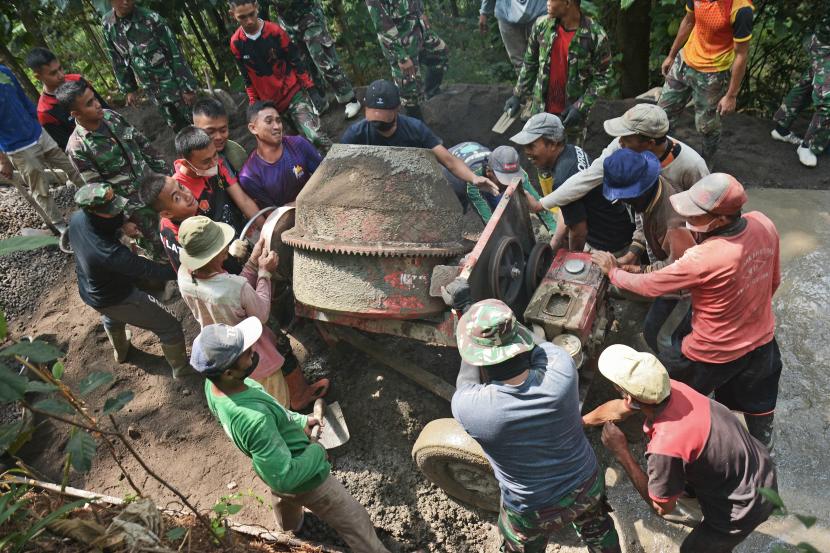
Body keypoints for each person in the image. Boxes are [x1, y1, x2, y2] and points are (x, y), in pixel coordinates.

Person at [591, 174, 781, 449]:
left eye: (696, 214)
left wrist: (614, 272)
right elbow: (773, 281)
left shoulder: (703, 257)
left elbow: (650, 285)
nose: (688, 218)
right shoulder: (763, 223)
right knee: (758, 406)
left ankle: (677, 445)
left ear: (720, 219)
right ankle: (764, 452)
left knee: (679, 403)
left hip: (710, 353)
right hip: (763, 344)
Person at [192, 318, 389, 552]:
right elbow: (285, 478)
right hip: (306, 480)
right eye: (246, 352)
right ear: (228, 372)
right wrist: (316, 452)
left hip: (273, 464)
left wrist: (299, 421)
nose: (253, 349)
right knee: (355, 520)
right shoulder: (255, 420)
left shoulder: (215, 387)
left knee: (283, 495)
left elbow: (273, 415)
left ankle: (291, 525)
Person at [452, 299, 621, 553]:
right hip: (586, 484)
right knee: (598, 530)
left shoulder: (471, 408)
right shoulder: (562, 368)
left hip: (532, 509)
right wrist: (505, 326)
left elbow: (466, 378)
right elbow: (536, 343)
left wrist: (467, 318)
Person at [585, 344, 778, 553]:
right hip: (757, 464)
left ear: (630, 397)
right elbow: (618, 408)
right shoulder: (670, 388)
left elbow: (661, 508)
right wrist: (580, 422)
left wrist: (622, 453)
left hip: (748, 502)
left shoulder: (665, 446)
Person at [177, 216, 329, 410]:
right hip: (251, 353)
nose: (226, 248)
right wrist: (265, 273)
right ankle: (287, 417)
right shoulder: (235, 287)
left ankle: (298, 396)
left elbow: (232, 293)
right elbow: (261, 314)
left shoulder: (184, 276)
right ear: (216, 254)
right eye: (222, 245)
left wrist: (251, 264)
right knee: (274, 398)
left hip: (222, 348)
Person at [68, 183, 192, 378]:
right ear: (93, 211)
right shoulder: (109, 253)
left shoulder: (77, 218)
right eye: (113, 211)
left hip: (89, 288)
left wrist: (122, 225)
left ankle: (121, 350)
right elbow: (149, 270)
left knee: (112, 316)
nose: (118, 212)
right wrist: (182, 269)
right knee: (170, 326)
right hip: (117, 296)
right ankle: (182, 369)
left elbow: (107, 224)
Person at [58, 78, 168, 259]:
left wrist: (168, 175)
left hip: (156, 188)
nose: (97, 104)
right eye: (89, 104)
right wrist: (123, 221)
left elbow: (143, 145)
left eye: (94, 98)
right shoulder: (78, 148)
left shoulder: (112, 117)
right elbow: (99, 191)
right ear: (76, 113)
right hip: (134, 210)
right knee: (160, 249)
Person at [601, 149, 696, 354]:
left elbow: (680, 269)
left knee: (659, 335)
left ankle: (676, 365)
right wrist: (631, 255)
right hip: (666, 263)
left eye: (626, 198)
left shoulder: (673, 221)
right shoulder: (649, 193)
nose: (624, 202)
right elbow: (641, 224)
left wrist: (638, 270)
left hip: (683, 287)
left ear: (638, 192)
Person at [341, 80, 498, 203]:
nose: (377, 121)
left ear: (396, 108)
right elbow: (339, 168)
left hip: (414, 187)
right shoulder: (355, 135)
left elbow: (448, 160)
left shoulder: (414, 129)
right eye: (374, 115)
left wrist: (473, 177)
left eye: (383, 115)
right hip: (374, 188)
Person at [533, 103, 709, 212]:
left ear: (649, 142)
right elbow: (588, 177)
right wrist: (542, 204)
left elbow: (705, 207)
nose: (620, 142)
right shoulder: (621, 144)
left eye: (627, 138)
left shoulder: (691, 166)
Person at [514, 113, 633, 255]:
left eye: (531, 145)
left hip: (609, 246)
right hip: (619, 226)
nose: (527, 152)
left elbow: (578, 232)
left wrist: (571, 258)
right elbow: (568, 209)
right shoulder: (573, 151)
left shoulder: (563, 177)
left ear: (552, 143)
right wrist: (554, 244)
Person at [503, 0, 611, 146]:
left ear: (567, 3)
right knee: (538, 158)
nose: (547, 3)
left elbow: (603, 76)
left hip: (570, 120)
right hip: (541, 115)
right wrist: (518, 95)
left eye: (551, 0)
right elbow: (530, 64)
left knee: (570, 159)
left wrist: (581, 107)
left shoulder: (595, 35)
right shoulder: (542, 26)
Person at [228, 0, 332, 151]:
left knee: (315, 136)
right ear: (233, 15)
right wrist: (253, 105)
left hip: (293, 94)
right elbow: (247, 78)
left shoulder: (274, 31)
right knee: (291, 149)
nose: (249, 21)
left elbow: (295, 60)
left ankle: (340, 160)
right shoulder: (236, 43)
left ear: (256, 7)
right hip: (268, 105)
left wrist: (311, 89)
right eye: (242, 17)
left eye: (251, 14)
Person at [658, 0, 754, 163]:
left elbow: (741, 55)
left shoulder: (741, 9)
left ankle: (706, 162)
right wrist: (671, 55)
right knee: (662, 114)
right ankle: (658, 155)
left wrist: (731, 95)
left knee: (706, 126)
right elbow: (689, 21)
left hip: (713, 72)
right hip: (685, 60)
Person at [0, 64, 83, 232]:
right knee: (40, 188)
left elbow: (22, 98)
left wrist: (37, 123)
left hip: (37, 132)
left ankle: (94, 197)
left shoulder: (4, 72)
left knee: (72, 166)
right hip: (17, 147)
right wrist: (3, 161)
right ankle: (60, 226)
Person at [102, 0, 198, 131]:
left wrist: (187, 88)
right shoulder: (108, 24)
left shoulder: (151, 19)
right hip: (153, 91)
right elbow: (117, 59)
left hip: (174, 85)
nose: (125, 2)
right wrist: (129, 89)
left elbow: (175, 53)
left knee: (197, 124)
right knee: (178, 129)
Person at [137, 170, 245, 276]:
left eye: (181, 186)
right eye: (177, 198)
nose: (187, 195)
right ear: (167, 214)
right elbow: (208, 274)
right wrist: (227, 252)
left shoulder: (181, 216)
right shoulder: (183, 239)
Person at [268, 0, 362, 118]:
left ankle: (349, 98)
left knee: (323, 59)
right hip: (288, 24)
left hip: (309, 14)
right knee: (304, 64)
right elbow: (262, 12)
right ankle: (320, 101)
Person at [173, 125, 264, 235]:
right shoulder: (178, 191)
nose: (214, 163)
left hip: (241, 232)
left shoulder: (219, 164)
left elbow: (243, 200)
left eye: (215, 154)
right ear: (186, 164)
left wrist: (266, 229)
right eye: (206, 161)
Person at [365, 0, 449, 119]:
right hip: (401, 42)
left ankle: (431, 92)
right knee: (409, 88)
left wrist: (422, 14)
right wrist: (401, 56)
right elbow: (382, 25)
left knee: (440, 52)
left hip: (419, 30)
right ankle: (414, 120)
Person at [445, 143, 557, 231]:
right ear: (489, 172)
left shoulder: (511, 166)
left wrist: (554, 229)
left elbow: (535, 199)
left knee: (502, 204)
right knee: (460, 211)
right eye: (504, 179)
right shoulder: (473, 180)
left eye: (510, 178)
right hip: (451, 174)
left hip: (472, 150)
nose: (508, 183)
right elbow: (489, 222)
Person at [239, 101, 322, 209]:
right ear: (253, 128)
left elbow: (325, 174)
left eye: (278, 121)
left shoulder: (298, 143)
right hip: (292, 218)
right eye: (269, 121)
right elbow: (271, 214)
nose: (277, 126)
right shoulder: (249, 175)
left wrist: (299, 203)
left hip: (319, 202)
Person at [770, 21, 829, 168]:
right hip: (825, 45)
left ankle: (781, 129)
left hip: (821, 41)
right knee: (827, 102)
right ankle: (809, 146)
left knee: (808, 82)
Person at [26, 47, 109, 151]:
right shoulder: (45, 111)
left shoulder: (78, 80)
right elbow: (67, 145)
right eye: (53, 73)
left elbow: (105, 108)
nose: (61, 75)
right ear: (38, 77)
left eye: (60, 68)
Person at [479, 0, 547, 74]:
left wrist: (484, 12)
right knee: (521, 64)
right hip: (507, 13)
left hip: (538, 11)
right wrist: (484, 12)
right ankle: (527, 80)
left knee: (544, 59)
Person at [192, 97, 248, 178]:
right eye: (210, 132)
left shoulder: (237, 152)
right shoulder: (191, 162)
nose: (218, 137)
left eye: (223, 130)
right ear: (195, 130)